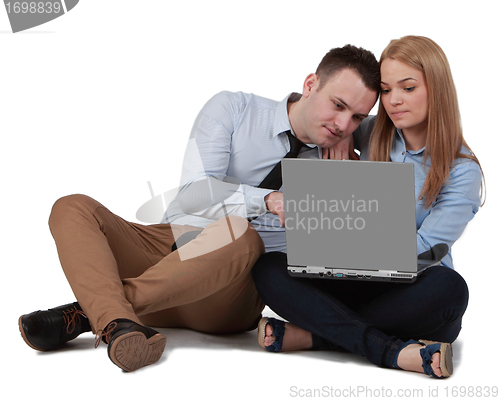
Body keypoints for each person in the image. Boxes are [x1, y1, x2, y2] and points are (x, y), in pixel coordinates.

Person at [18, 44, 380, 371]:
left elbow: (412, 129)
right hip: (167, 248)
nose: (342, 125)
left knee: (241, 234)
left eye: (357, 118)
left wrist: (345, 176)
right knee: (72, 207)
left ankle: (91, 312)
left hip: (228, 291)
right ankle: (119, 322)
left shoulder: (341, 163)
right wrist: (266, 199)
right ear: (311, 83)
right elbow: (194, 193)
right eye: (338, 106)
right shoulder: (236, 108)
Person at [252, 35, 484, 379]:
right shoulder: (375, 132)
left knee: (451, 290)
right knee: (268, 267)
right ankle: (393, 350)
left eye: (407, 88)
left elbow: (425, 253)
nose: (394, 101)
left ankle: (318, 335)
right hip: (349, 276)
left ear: (437, 89)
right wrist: (344, 133)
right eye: (387, 90)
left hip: (411, 289)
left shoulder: (462, 170)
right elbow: (337, 121)